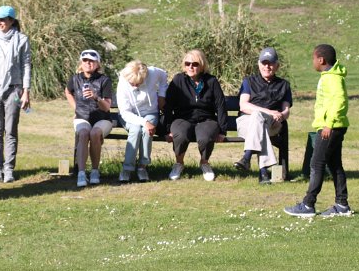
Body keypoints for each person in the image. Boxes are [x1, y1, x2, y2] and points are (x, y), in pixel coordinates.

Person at [283, 44, 349, 218]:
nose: (312, 62)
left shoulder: (332, 78)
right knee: (334, 165)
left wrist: (329, 124)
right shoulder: (328, 76)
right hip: (331, 126)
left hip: (330, 128)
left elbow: (340, 101)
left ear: (321, 60)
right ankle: (342, 205)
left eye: (313, 58)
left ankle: (308, 204)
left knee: (316, 164)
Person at [164, 49, 227, 181]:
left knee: (205, 137)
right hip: (183, 118)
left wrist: (222, 130)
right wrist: (167, 129)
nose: (191, 67)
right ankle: (179, 163)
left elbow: (220, 106)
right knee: (180, 134)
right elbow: (168, 106)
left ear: (202, 65)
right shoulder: (178, 80)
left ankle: (204, 163)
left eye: (195, 64)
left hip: (206, 119)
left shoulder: (211, 81)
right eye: (187, 64)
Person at [233, 47, 292, 184]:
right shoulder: (248, 81)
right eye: (264, 63)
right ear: (259, 64)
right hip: (246, 123)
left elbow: (286, 111)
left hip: (272, 124)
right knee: (257, 117)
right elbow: (243, 106)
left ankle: (247, 157)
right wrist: (269, 112)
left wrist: (281, 116)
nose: (267, 66)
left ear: (277, 65)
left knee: (259, 121)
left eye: (270, 63)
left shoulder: (284, 85)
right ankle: (263, 171)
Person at [0, 5, 31, 184]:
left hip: (14, 88)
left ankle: (9, 169)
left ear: (11, 21)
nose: (0, 22)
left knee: (11, 130)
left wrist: (26, 91)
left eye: (3, 19)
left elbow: (26, 65)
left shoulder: (22, 39)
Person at [66, 49, 114, 187]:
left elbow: (106, 107)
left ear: (97, 64)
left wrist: (96, 97)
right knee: (83, 133)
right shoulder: (75, 79)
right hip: (82, 117)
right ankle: (81, 173)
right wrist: (76, 108)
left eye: (92, 61)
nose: (88, 63)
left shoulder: (104, 80)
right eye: (85, 60)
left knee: (94, 133)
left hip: (102, 118)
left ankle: (94, 171)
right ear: (81, 63)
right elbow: (68, 92)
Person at [116, 60, 168, 183]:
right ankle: (127, 168)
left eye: (138, 83)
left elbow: (164, 75)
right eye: (132, 84)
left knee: (146, 131)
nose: (135, 86)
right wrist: (144, 122)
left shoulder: (153, 72)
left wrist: (162, 95)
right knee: (135, 130)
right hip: (130, 114)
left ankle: (142, 167)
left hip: (150, 112)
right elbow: (125, 112)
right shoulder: (123, 81)